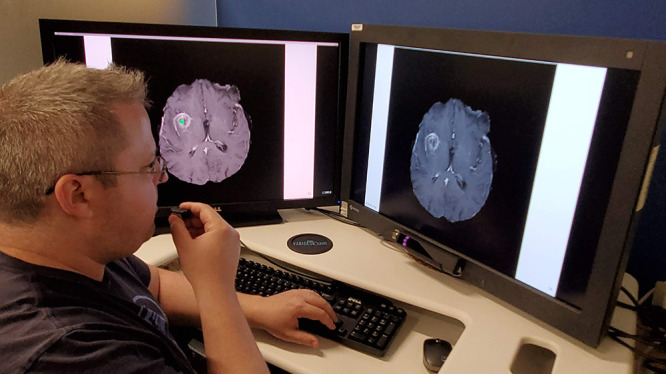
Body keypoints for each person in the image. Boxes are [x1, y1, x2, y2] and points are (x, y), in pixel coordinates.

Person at [0, 60, 338, 373]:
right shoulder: (71, 353)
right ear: (78, 195)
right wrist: (215, 288)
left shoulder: (65, 245)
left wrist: (260, 309)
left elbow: (154, 286)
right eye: (149, 165)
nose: (162, 176)